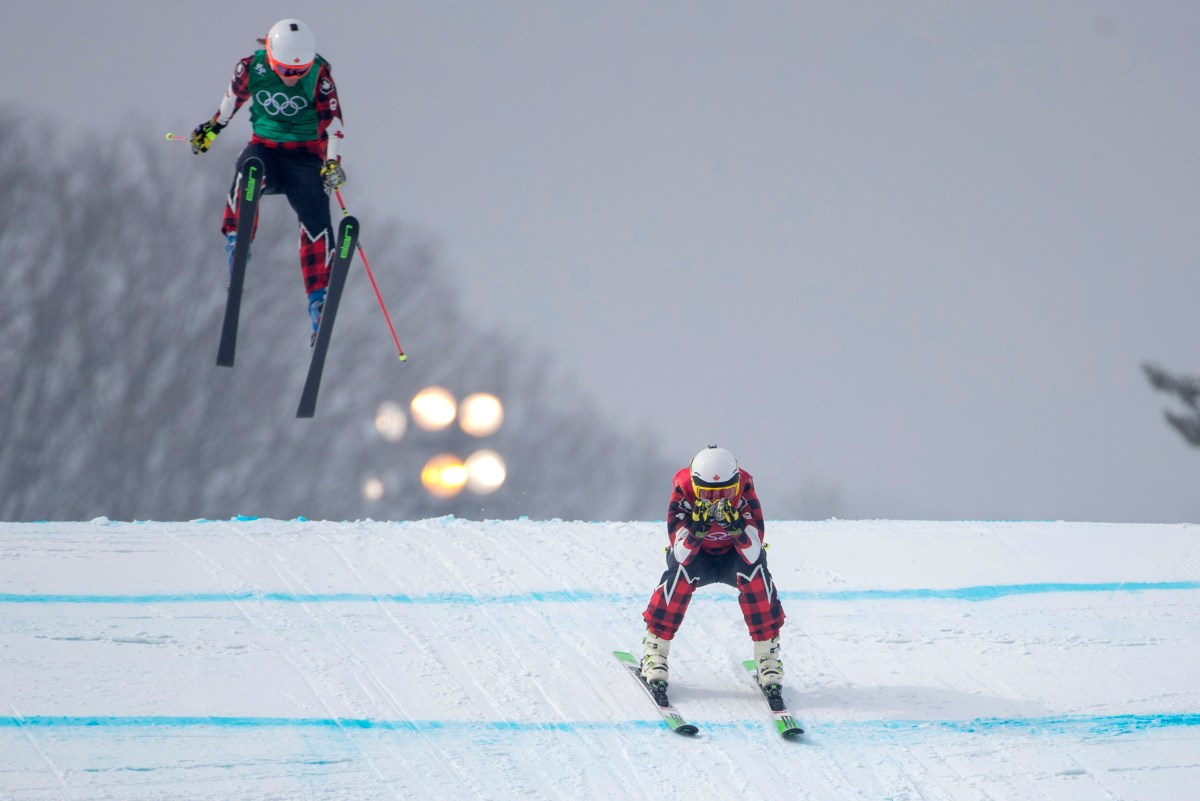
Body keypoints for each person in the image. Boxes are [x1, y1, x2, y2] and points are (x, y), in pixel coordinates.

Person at [189, 18, 347, 342]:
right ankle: (238, 242)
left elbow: (334, 128)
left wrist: (332, 164)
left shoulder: (319, 76)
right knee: (249, 170)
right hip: (267, 152)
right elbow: (232, 100)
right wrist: (212, 129)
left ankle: (318, 299)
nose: (293, 78)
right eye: (286, 71)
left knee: (316, 214)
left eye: (298, 72)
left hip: (305, 159)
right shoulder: (252, 68)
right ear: (273, 59)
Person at [641, 445, 787, 702]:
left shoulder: (744, 491)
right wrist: (695, 531)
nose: (717, 500)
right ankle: (656, 650)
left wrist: (738, 530)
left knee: (757, 576)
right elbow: (681, 554)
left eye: (725, 492)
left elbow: (753, 552)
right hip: (698, 556)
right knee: (678, 577)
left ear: (737, 483)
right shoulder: (683, 491)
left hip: (735, 556)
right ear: (695, 487)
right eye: (707, 494)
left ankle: (767, 655)